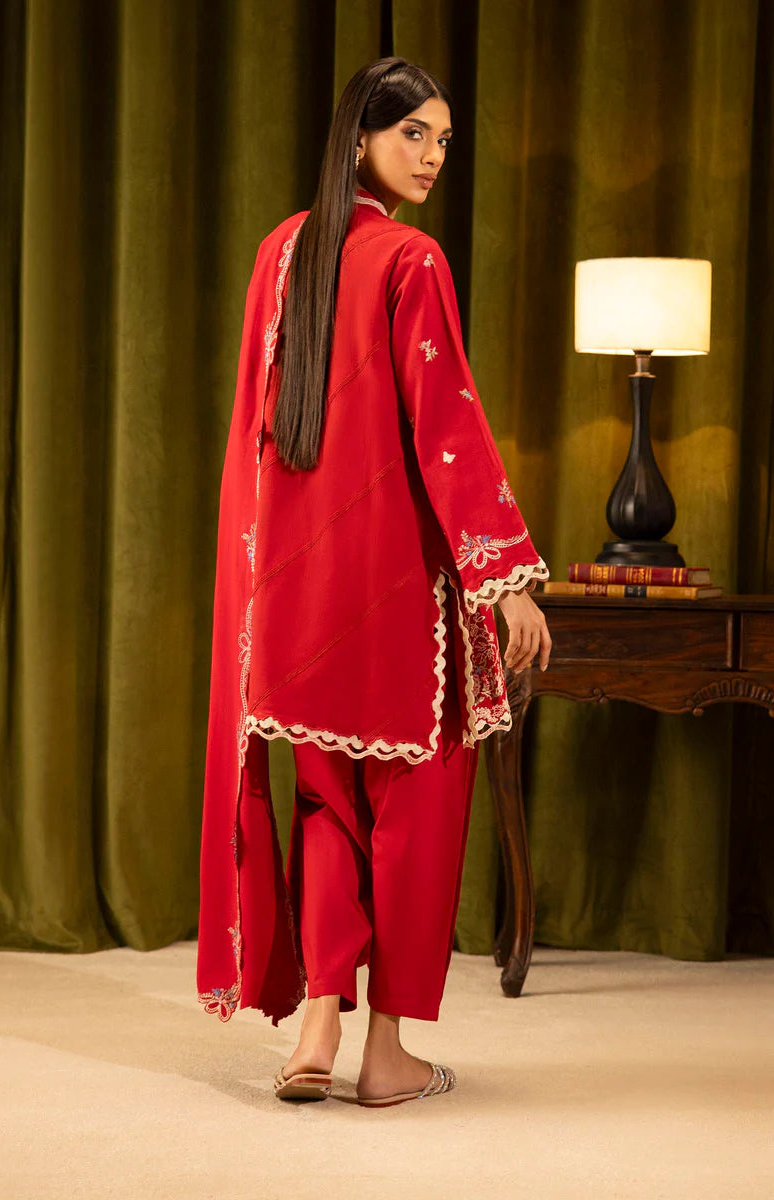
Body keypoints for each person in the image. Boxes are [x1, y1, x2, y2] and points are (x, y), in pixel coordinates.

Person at [196, 56, 552, 1109]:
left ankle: (315, 1033)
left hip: (293, 597)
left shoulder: (282, 251)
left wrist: (255, 594)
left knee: (326, 798)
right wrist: (502, 577)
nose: (433, 156)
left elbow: (254, 435)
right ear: (360, 138)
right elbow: (447, 432)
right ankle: (385, 1056)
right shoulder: (410, 259)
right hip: (396, 596)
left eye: (443, 140)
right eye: (413, 135)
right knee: (416, 808)